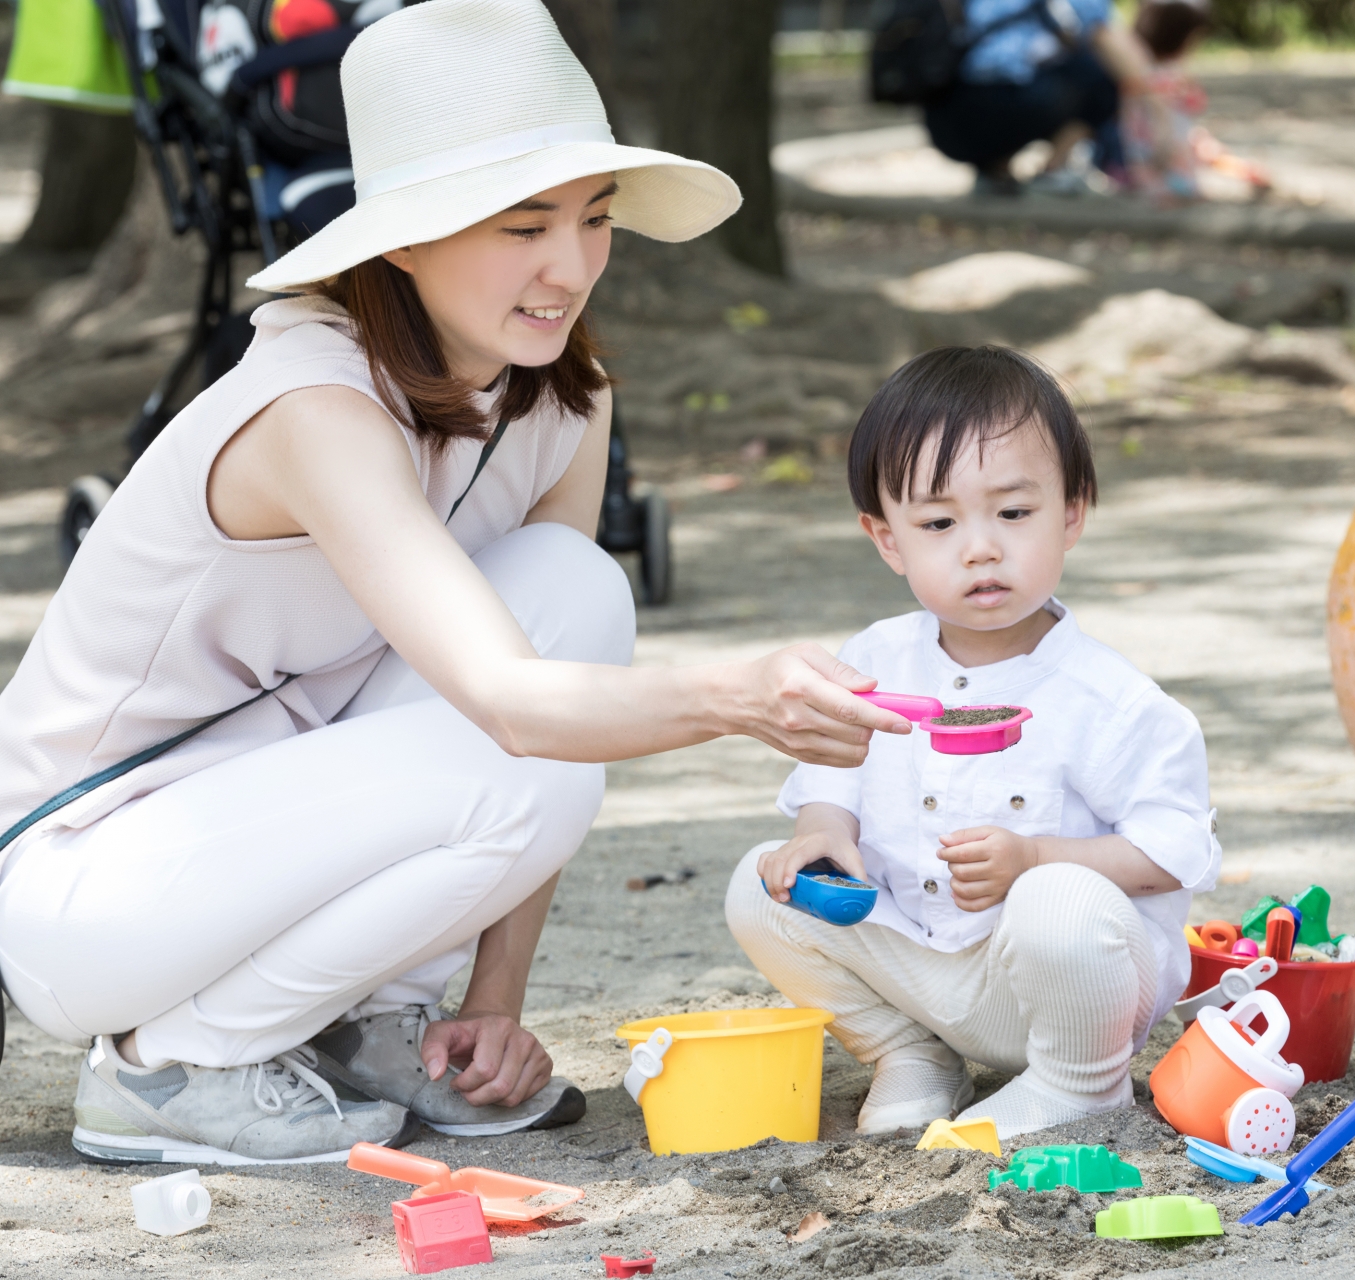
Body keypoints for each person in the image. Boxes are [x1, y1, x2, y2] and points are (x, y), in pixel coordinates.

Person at [0, 0, 906, 1166]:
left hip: (268, 826)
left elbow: (553, 692)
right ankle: (169, 1065)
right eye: (521, 225)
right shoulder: (314, 409)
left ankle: (381, 1024)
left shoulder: (565, 399)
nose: (570, 265)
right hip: (92, 885)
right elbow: (516, 710)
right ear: (404, 240)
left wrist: (498, 996)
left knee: (576, 589)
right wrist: (740, 695)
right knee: (512, 757)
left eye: (593, 218)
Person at [727, 346, 1221, 1140]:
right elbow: (832, 773)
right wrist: (820, 833)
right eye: (938, 522)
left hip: (1061, 989)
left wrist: (1035, 859)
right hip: (925, 970)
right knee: (762, 883)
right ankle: (909, 1053)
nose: (980, 547)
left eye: (1013, 514)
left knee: (1059, 899)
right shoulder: (879, 659)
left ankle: (1080, 1087)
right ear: (888, 540)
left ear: (1071, 512)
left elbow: (1173, 851)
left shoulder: (1110, 700)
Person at [924, 0, 1150, 197]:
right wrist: (1158, 105)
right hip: (1004, 104)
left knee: (1022, 74)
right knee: (1100, 74)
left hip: (945, 116)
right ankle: (1052, 171)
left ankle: (994, 169)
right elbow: (1100, 34)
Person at [1117, 0, 1270, 205]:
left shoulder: (1141, 72)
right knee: (1180, 166)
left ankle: (1175, 186)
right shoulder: (1162, 78)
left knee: (1201, 150)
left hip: (1155, 147)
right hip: (1161, 147)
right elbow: (1188, 107)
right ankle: (1173, 189)